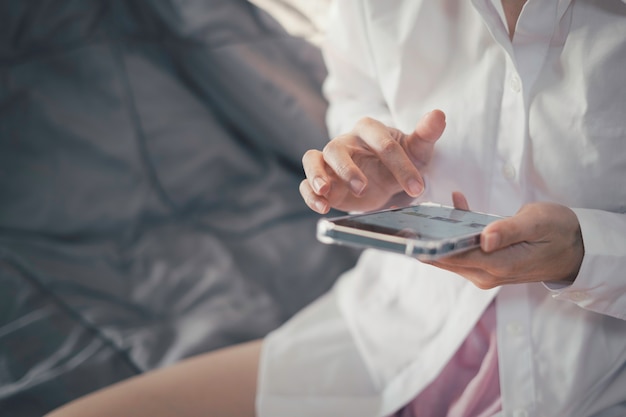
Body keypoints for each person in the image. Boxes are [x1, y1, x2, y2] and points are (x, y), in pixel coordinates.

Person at [47, 0, 626, 416]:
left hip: (594, 377)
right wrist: (367, 175)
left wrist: (586, 252)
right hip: (394, 333)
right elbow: (354, 108)